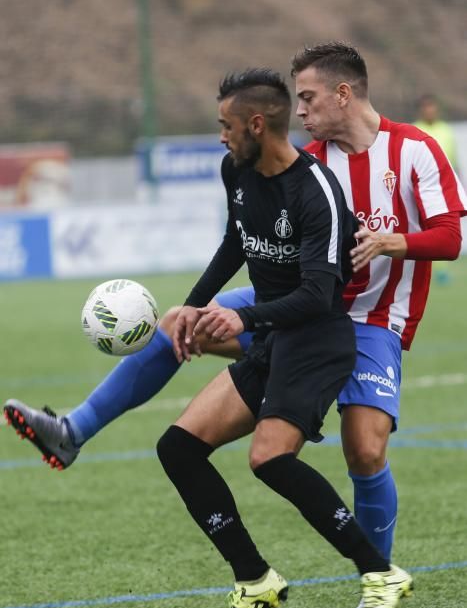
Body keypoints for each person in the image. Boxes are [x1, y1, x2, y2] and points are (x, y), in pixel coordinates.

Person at [4, 42, 466, 572]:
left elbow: (451, 237)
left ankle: (377, 579)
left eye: (310, 98)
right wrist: (196, 305)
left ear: (344, 94)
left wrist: (391, 242)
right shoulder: (302, 163)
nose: (302, 110)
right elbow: (249, 241)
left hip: (373, 320)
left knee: (364, 450)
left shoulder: (414, 149)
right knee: (181, 325)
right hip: (296, 310)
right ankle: (72, 431)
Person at [157, 66, 414, 608]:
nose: (220, 137)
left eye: (226, 126)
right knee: (177, 447)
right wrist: (194, 306)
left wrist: (241, 316)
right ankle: (254, 579)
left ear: (256, 124)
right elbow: (235, 242)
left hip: (319, 339)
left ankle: (381, 572)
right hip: (276, 337)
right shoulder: (237, 169)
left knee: (269, 458)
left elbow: (320, 295)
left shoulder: (316, 190)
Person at [413, 94, 461, 284]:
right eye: (426, 108)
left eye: (432, 107)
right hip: (420, 187)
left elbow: (453, 161)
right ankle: (423, 265)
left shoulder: (446, 131)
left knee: (445, 226)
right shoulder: (415, 129)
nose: (429, 111)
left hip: (443, 187)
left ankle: (441, 270)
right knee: (421, 226)